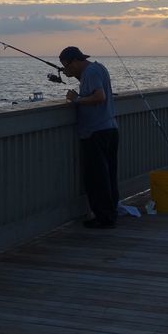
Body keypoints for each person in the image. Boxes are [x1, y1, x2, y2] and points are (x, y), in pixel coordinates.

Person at [58, 45, 120, 229]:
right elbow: (93, 91)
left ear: (75, 61)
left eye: (66, 65)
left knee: (97, 178)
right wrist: (72, 77)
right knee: (108, 175)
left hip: (96, 132)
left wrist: (76, 99)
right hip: (109, 128)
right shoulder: (96, 69)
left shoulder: (91, 73)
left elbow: (99, 97)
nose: (65, 69)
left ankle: (104, 218)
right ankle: (109, 214)